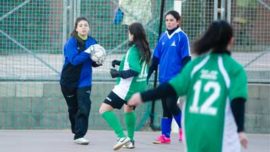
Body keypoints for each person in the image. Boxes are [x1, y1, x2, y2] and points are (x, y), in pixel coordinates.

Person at [128, 20, 248, 152]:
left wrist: (142, 96)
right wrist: (240, 130)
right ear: (231, 40)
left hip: (193, 130)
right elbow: (238, 101)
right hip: (219, 132)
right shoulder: (234, 69)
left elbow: (170, 88)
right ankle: (166, 134)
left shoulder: (196, 65)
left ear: (208, 38)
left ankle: (167, 134)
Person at [99, 22, 151, 151]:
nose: (128, 35)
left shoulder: (133, 50)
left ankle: (122, 137)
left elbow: (135, 70)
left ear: (133, 34)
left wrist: (118, 73)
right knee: (128, 109)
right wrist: (119, 63)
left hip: (127, 89)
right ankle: (131, 141)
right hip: (140, 87)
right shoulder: (144, 48)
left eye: (129, 32)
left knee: (104, 109)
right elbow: (136, 64)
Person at [147, 10, 191, 144]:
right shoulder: (163, 37)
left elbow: (186, 59)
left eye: (172, 20)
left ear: (178, 21)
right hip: (163, 79)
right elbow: (155, 59)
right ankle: (165, 136)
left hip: (176, 80)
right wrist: (147, 76)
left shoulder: (182, 37)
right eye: (167, 20)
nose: (169, 22)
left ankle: (185, 130)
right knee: (166, 107)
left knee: (171, 104)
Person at [60, 17, 101, 145]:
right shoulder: (71, 43)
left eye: (86, 25)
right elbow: (74, 60)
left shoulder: (93, 41)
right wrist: (88, 52)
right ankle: (76, 129)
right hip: (69, 81)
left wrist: (97, 61)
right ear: (76, 28)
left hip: (85, 81)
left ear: (88, 28)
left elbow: (93, 62)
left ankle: (79, 135)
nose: (83, 27)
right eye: (81, 25)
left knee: (84, 106)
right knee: (73, 108)